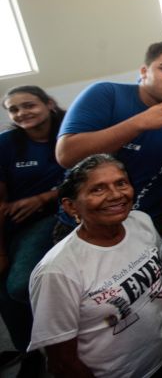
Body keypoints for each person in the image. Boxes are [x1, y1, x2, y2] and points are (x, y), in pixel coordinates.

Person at [28, 154, 162, 378]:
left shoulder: (141, 222)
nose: (116, 195)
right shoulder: (57, 271)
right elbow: (62, 362)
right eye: (98, 189)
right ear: (71, 206)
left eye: (121, 183)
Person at [55, 42, 162, 240]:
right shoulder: (107, 95)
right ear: (144, 71)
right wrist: (139, 122)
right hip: (87, 225)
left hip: (149, 224)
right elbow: (66, 155)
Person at [0, 86, 65, 373]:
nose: (22, 113)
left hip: (52, 216)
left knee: (18, 286)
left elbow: (84, 177)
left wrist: (43, 198)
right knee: (4, 291)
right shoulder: (7, 144)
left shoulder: (69, 132)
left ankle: (59, 342)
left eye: (29, 105)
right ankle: (29, 351)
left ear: (48, 104)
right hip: (12, 222)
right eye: (13, 109)